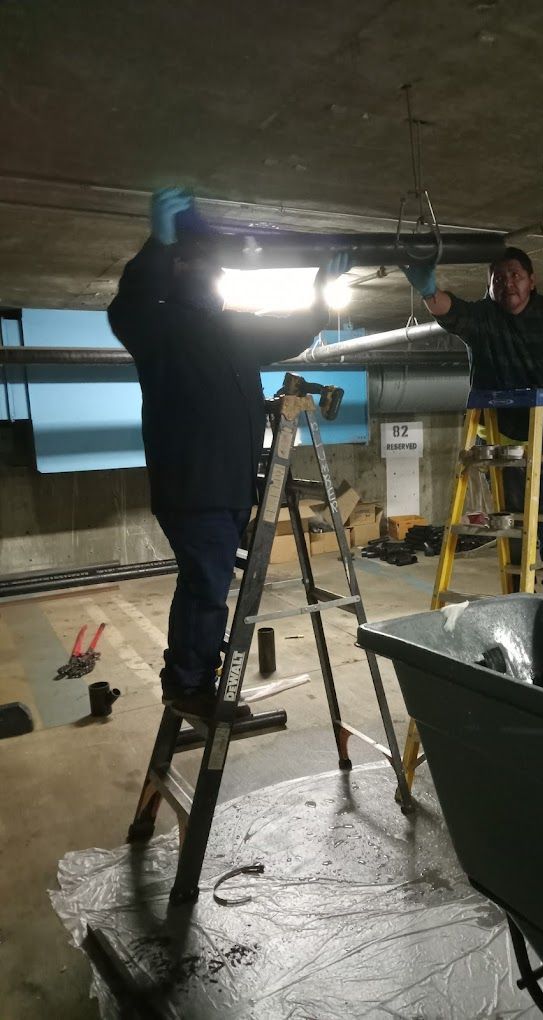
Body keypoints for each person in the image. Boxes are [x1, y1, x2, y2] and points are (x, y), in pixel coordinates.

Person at [108, 187, 351, 717]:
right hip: (193, 488)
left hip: (229, 486)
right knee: (206, 585)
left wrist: (321, 290)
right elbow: (127, 306)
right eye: (198, 264)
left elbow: (290, 332)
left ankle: (193, 672)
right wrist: (158, 242)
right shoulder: (159, 326)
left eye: (213, 267)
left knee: (208, 583)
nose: (211, 274)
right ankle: (188, 685)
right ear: (177, 269)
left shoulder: (231, 327)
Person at [402, 247, 543, 596]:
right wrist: (430, 291)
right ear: (490, 284)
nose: (508, 283)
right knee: (510, 517)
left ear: (531, 281)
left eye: (515, 275)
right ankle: (518, 591)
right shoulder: (483, 316)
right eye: (499, 278)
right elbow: (450, 311)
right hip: (497, 436)